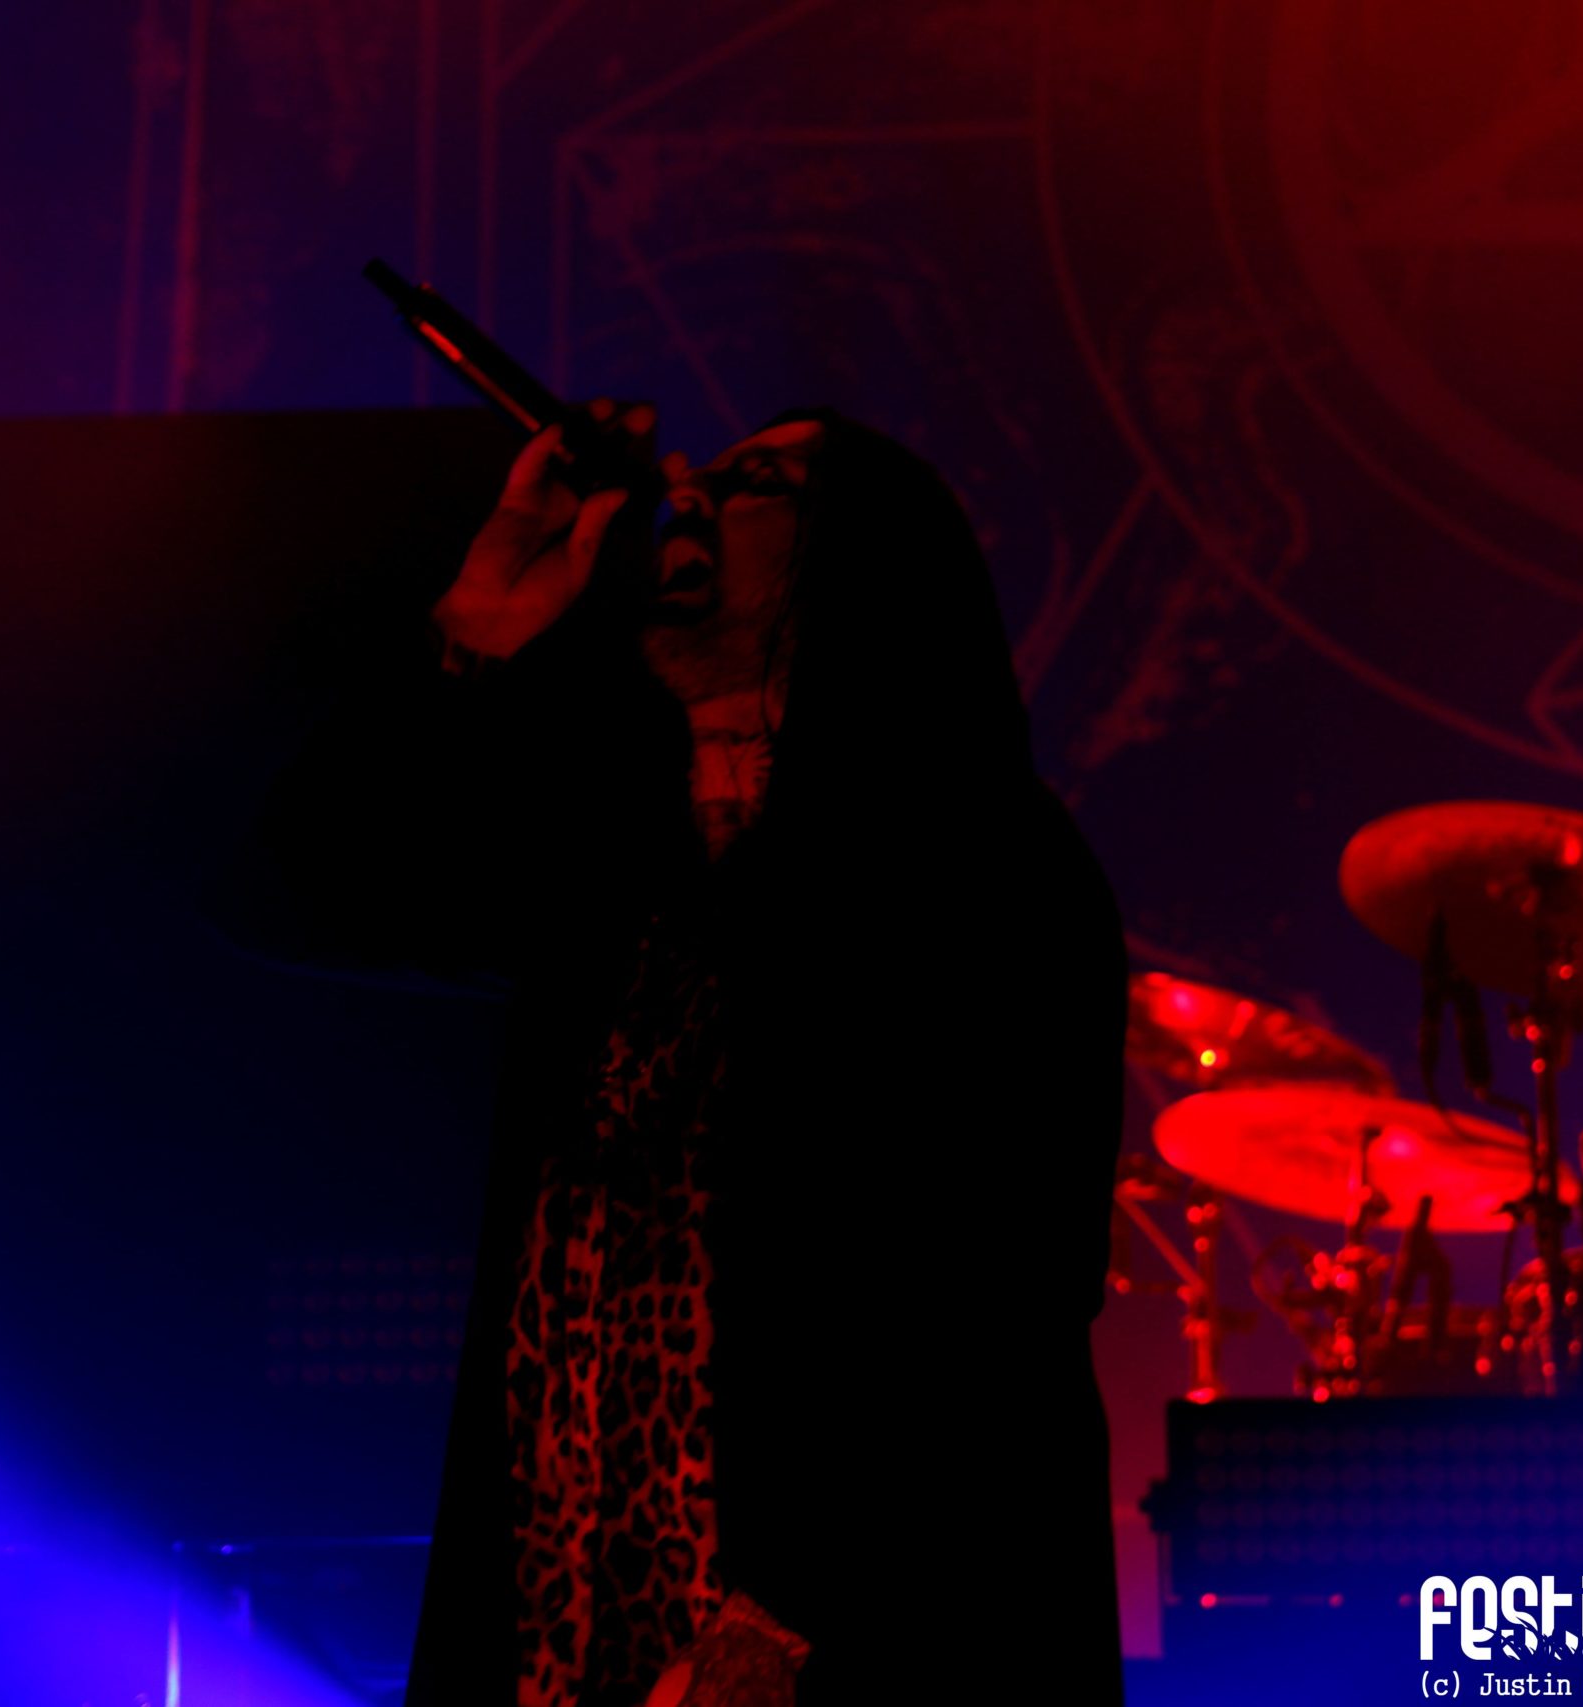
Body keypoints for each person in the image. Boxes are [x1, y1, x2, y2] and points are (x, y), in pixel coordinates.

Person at [250, 399, 1127, 1705]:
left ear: (862, 560)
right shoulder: (617, 854)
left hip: (852, 1629)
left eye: (756, 479)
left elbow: (1004, 1279)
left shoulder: (986, 859)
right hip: (568, 1612)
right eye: (694, 475)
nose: (687, 494)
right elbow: (294, 893)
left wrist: (789, 1618)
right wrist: (477, 629)